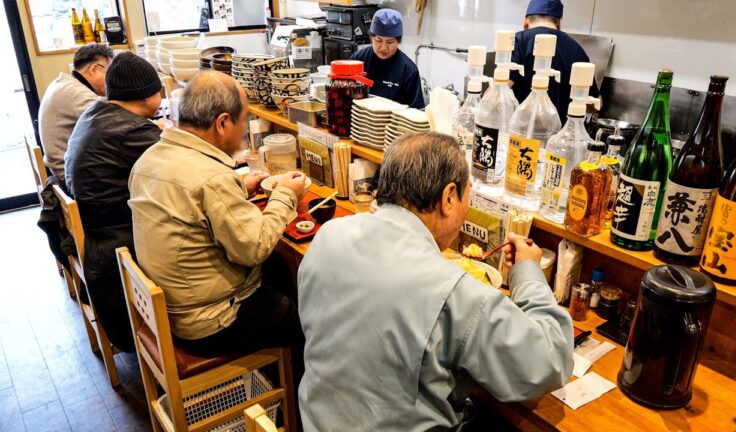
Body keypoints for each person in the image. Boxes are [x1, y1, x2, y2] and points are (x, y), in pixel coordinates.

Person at [297, 132, 574, 431]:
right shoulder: (454, 292)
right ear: (449, 197)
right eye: (469, 196)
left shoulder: (329, 234)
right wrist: (528, 272)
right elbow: (550, 362)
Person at [129, 71, 307, 367]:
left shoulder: (149, 159)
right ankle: (298, 407)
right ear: (223, 122)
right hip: (212, 322)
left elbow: (193, 209)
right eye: (243, 121)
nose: (244, 130)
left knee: (279, 269)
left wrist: (240, 188)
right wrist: (286, 193)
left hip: (175, 308)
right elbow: (254, 248)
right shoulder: (212, 178)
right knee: (308, 319)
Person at [64, 51, 163, 352]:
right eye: (158, 89)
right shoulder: (133, 130)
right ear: (146, 94)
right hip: (120, 243)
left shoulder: (96, 112)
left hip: (100, 237)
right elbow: (182, 169)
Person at [510, 0, 600, 123]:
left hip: (519, 134)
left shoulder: (518, 40)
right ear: (559, 22)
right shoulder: (577, 49)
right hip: (560, 136)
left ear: (525, 21)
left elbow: (502, 89)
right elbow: (594, 104)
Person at [38, 44, 113, 179]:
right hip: (70, 175)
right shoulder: (78, 93)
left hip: (60, 167)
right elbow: (112, 125)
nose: (111, 79)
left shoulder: (62, 83)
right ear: (94, 69)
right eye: (110, 72)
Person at [351, 9, 425, 108]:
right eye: (378, 40)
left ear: (398, 41)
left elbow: (417, 111)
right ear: (371, 38)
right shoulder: (358, 60)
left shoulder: (408, 70)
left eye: (390, 42)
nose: (383, 48)